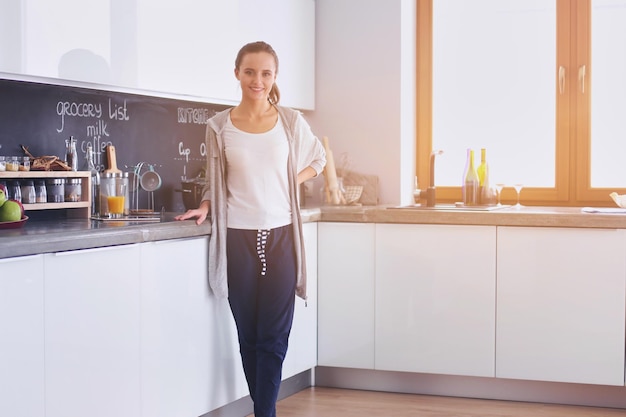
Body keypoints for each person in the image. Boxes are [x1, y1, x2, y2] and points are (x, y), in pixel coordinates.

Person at [175, 41, 326, 417]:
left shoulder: (290, 122)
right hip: (237, 238)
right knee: (249, 335)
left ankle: (264, 414)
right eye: (250, 72)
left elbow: (318, 160)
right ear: (237, 73)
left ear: (274, 77)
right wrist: (206, 204)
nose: (257, 80)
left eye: (265, 73)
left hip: (281, 238)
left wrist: (292, 177)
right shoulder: (219, 126)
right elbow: (215, 179)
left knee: (274, 336)